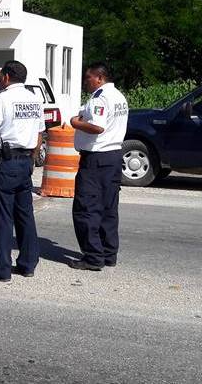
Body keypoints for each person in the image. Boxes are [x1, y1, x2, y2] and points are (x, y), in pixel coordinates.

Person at [0, 60, 45, 282]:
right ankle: (28, 264)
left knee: (2, 217)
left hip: (5, 163)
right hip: (26, 161)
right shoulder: (34, 99)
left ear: (6, 76)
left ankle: (2, 269)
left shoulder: (1, 99)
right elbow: (40, 133)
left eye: (0, 76)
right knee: (25, 215)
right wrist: (32, 157)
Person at [67, 63, 129, 271]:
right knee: (108, 207)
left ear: (100, 78)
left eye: (89, 78)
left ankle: (93, 257)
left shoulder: (100, 98)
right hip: (113, 157)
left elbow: (97, 127)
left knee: (86, 208)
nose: (86, 81)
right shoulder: (118, 96)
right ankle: (108, 253)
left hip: (96, 159)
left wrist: (75, 123)